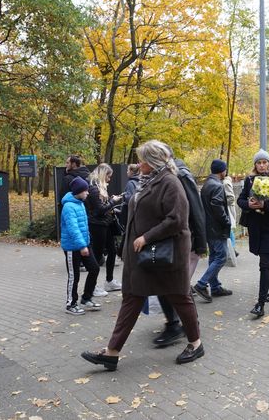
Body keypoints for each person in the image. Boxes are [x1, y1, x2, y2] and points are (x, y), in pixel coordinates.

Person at [81, 140, 204, 370]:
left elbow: (177, 219)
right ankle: (112, 352)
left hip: (165, 255)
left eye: (142, 159)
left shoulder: (170, 182)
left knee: (180, 297)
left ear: (154, 161)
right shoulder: (148, 181)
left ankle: (196, 344)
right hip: (143, 255)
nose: (139, 163)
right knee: (132, 298)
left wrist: (147, 237)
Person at [153, 154, 207, 348]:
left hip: (182, 241)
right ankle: (181, 323)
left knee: (177, 285)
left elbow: (196, 209)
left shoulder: (180, 175)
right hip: (167, 241)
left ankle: (183, 324)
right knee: (171, 285)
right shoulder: (159, 176)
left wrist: (201, 242)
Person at [237, 149, 269, 317]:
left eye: (265, 162)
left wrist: (265, 206)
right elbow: (240, 200)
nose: (262, 165)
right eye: (259, 162)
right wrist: (249, 205)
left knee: (264, 264)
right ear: (255, 165)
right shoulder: (249, 180)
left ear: (268, 164)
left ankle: (260, 304)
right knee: (267, 260)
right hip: (256, 227)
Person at [193, 159, 233, 302]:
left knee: (214, 256)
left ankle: (215, 287)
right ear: (222, 171)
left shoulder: (207, 184)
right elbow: (217, 206)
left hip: (208, 227)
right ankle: (202, 284)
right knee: (221, 256)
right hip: (216, 227)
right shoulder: (217, 185)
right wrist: (226, 221)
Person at [61, 176, 102, 315]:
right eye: (85, 190)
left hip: (84, 244)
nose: (88, 193)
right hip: (73, 247)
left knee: (94, 269)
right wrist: (82, 246)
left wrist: (86, 243)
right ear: (78, 191)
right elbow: (73, 228)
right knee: (74, 276)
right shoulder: (68, 206)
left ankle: (86, 298)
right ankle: (71, 304)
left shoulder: (80, 203)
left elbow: (83, 226)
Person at [85, 164, 123, 295]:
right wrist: (113, 202)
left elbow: (102, 207)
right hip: (97, 226)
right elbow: (99, 210)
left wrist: (111, 204)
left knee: (112, 251)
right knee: (97, 255)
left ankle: (109, 281)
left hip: (105, 224)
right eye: (108, 176)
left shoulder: (100, 188)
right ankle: (92, 287)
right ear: (103, 174)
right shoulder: (94, 189)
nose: (109, 179)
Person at [222, 174, 238, 253]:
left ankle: (232, 249)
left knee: (229, 229)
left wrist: (220, 203)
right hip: (227, 209)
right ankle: (232, 249)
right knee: (229, 229)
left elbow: (231, 198)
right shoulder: (224, 182)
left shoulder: (225, 183)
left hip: (227, 209)